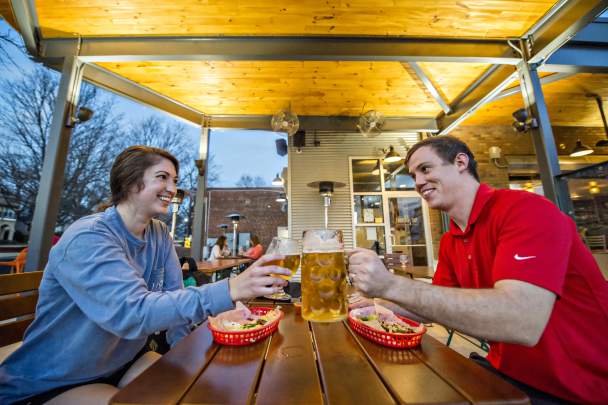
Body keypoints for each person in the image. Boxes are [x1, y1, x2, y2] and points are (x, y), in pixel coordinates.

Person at [0, 146, 290, 404]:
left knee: (201, 390)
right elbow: (132, 313)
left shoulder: (159, 233)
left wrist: (193, 360)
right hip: (58, 377)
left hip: (124, 360)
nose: (172, 188)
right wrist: (229, 289)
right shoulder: (88, 237)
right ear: (130, 182)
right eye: (162, 177)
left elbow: (175, 300)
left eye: (175, 180)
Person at [348, 136, 608, 404]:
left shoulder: (525, 209)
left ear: (461, 161)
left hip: (582, 389)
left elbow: (521, 320)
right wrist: (372, 303)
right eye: (414, 175)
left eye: (425, 169)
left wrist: (390, 285)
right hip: (508, 374)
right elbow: (431, 304)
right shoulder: (452, 238)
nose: (418, 182)